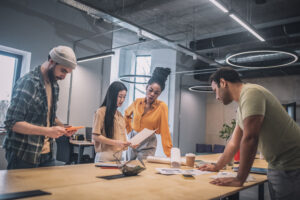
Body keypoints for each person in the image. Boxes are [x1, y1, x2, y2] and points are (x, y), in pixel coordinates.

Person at [199, 67, 300, 200]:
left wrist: (239, 178)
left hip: (292, 164)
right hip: (278, 165)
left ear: (223, 83)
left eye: (215, 91)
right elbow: (234, 142)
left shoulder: (251, 93)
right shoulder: (242, 106)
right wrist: (216, 166)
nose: (216, 97)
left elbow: (250, 138)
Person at [3, 45, 78, 169]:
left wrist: (63, 128)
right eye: (63, 70)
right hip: (23, 153)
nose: (64, 76)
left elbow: (49, 116)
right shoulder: (29, 82)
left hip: (47, 153)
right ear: (51, 61)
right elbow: (12, 123)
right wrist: (48, 131)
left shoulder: (54, 86)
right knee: (23, 189)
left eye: (67, 73)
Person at [125, 67, 173, 160]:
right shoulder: (137, 102)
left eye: (156, 93)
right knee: (129, 168)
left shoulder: (162, 107)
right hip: (133, 140)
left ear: (159, 94)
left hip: (148, 143)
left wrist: (169, 154)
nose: (152, 94)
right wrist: (129, 131)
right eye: (150, 90)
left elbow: (165, 131)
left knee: (141, 169)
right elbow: (126, 115)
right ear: (146, 87)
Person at [92, 81, 131, 162]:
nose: (122, 100)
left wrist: (130, 144)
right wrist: (116, 142)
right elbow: (95, 136)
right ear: (112, 95)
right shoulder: (101, 112)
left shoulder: (120, 115)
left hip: (119, 156)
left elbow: (120, 137)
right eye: (120, 96)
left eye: (124, 97)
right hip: (105, 156)